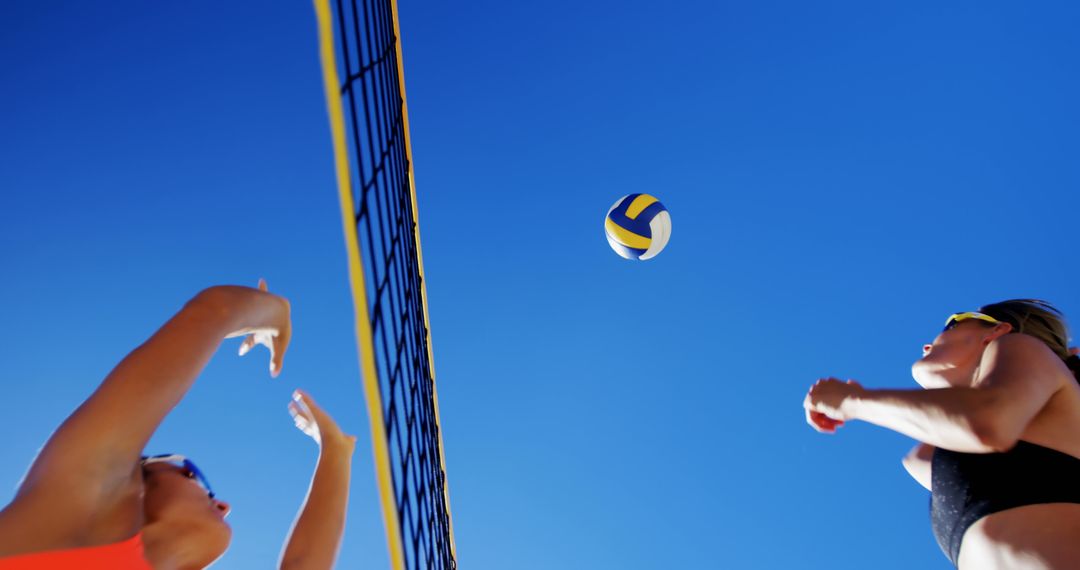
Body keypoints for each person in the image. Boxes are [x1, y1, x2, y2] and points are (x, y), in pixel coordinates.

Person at [0, 281, 357, 569]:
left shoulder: (80, 500)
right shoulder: (71, 509)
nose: (224, 505)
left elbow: (216, 310)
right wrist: (274, 312)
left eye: (193, 475)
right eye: (200, 482)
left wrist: (335, 451)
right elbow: (217, 309)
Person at [803, 299, 1080, 569]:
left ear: (997, 330)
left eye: (952, 324)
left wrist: (852, 400)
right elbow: (938, 441)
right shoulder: (936, 452)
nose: (927, 344)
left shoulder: (1025, 347)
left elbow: (985, 423)